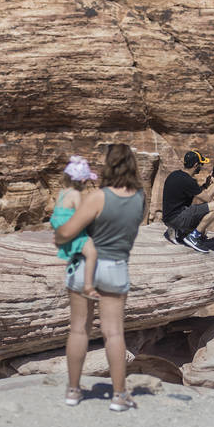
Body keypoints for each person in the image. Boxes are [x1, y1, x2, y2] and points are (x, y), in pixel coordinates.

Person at [54, 144, 145, 412]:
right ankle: (119, 395)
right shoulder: (140, 197)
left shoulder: (98, 197)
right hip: (117, 266)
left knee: (79, 328)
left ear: (108, 165)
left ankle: (73, 391)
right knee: (114, 332)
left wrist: (59, 236)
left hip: (86, 266)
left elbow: (68, 231)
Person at [51, 155, 99, 296]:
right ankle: (88, 286)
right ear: (83, 180)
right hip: (71, 229)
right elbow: (80, 215)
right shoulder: (76, 194)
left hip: (60, 228)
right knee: (92, 252)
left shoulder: (62, 193)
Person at [161, 150, 214, 252]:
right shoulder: (188, 181)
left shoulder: (176, 175)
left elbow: (196, 192)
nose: (201, 167)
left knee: (203, 232)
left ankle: (177, 230)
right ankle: (193, 237)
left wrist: (206, 185)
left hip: (169, 218)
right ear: (196, 165)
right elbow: (208, 199)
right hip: (176, 218)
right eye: (201, 164)